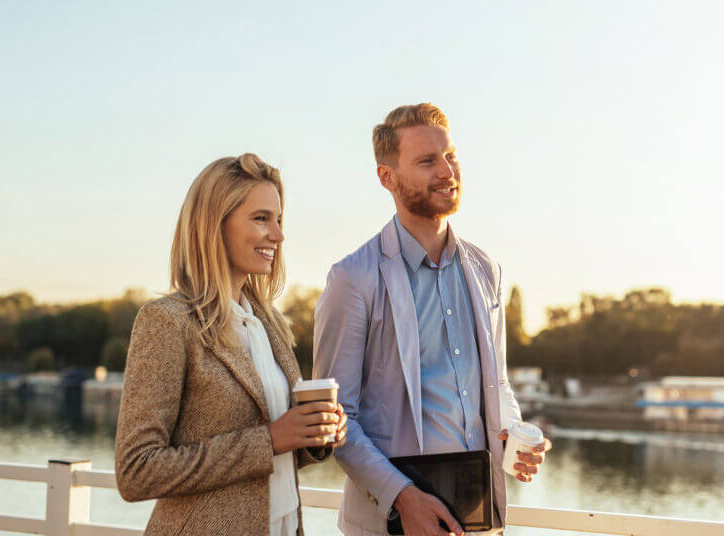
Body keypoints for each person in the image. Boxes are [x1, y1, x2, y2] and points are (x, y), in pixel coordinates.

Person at [313, 103, 551, 536]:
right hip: (390, 523)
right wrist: (403, 497)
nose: (447, 171)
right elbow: (335, 418)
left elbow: (497, 385)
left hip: (478, 521)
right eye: (427, 161)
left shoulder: (487, 271)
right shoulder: (353, 278)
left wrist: (514, 435)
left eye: (451, 155)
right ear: (387, 177)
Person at [115, 154, 347, 536]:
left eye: (279, 219)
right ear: (214, 225)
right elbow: (136, 471)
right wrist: (270, 439)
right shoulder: (167, 322)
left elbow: (276, 449)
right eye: (261, 218)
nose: (278, 234)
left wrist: (315, 434)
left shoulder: (267, 321)